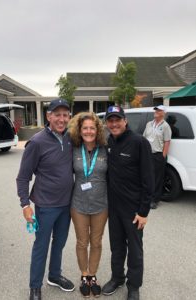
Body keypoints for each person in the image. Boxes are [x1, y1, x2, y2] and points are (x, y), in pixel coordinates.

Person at [16, 98, 75, 300]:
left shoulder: (70, 138)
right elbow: (23, 177)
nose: (61, 119)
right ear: (48, 116)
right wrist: (25, 204)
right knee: (41, 245)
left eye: (65, 115)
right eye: (56, 114)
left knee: (59, 243)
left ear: (69, 117)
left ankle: (55, 276)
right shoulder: (37, 142)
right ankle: (35, 286)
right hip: (45, 206)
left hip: (67, 204)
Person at [102, 106, 154, 300]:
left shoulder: (139, 143)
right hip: (113, 207)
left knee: (134, 248)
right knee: (116, 246)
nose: (114, 124)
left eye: (117, 119)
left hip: (133, 210)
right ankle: (117, 278)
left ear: (125, 121)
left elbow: (149, 180)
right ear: (107, 123)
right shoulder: (109, 142)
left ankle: (134, 285)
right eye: (110, 120)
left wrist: (144, 212)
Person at [68, 112, 108, 298]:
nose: (89, 131)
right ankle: (84, 275)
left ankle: (93, 274)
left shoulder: (105, 148)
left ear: (97, 129)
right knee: (82, 242)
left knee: (97, 242)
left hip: (101, 205)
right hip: (78, 205)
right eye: (85, 128)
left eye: (92, 127)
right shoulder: (73, 148)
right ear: (80, 130)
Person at [143, 105, 172, 209]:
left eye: (159, 110)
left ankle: (155, 200)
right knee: (147, 177)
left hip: (158, 155)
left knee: (157, 178)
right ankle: (147, 197)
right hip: (147, 155)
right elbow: (144, 138)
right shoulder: (149, 124)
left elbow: (167, 142)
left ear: (163, 113)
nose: (156, 111)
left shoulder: (165, 126)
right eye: (155, 110)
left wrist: (162, 156)